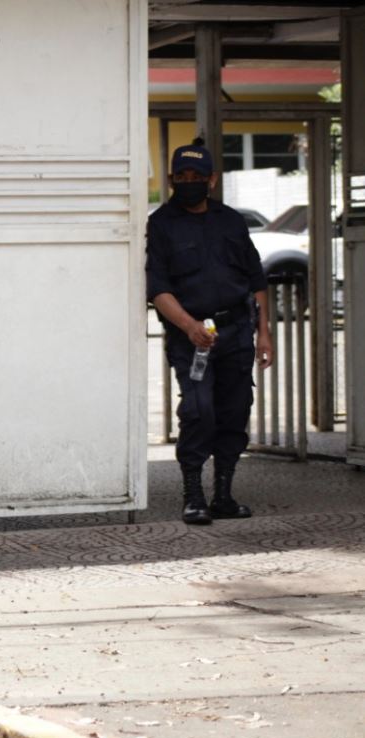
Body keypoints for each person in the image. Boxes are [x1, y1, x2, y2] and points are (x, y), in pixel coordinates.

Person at [146, 138, 274, 525]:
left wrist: (264, 334)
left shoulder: (231, 221)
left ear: (212, 179)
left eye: (196, 176)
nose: (189, 182)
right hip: (191, 337)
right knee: (198, 411)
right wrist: (190, 327)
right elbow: (158, 289)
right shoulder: (161, 223)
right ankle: (193, 495)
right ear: (172, 179)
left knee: (235, 411)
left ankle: (223, 495)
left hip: (236, 332)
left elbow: (256, 280)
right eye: (181, 176)